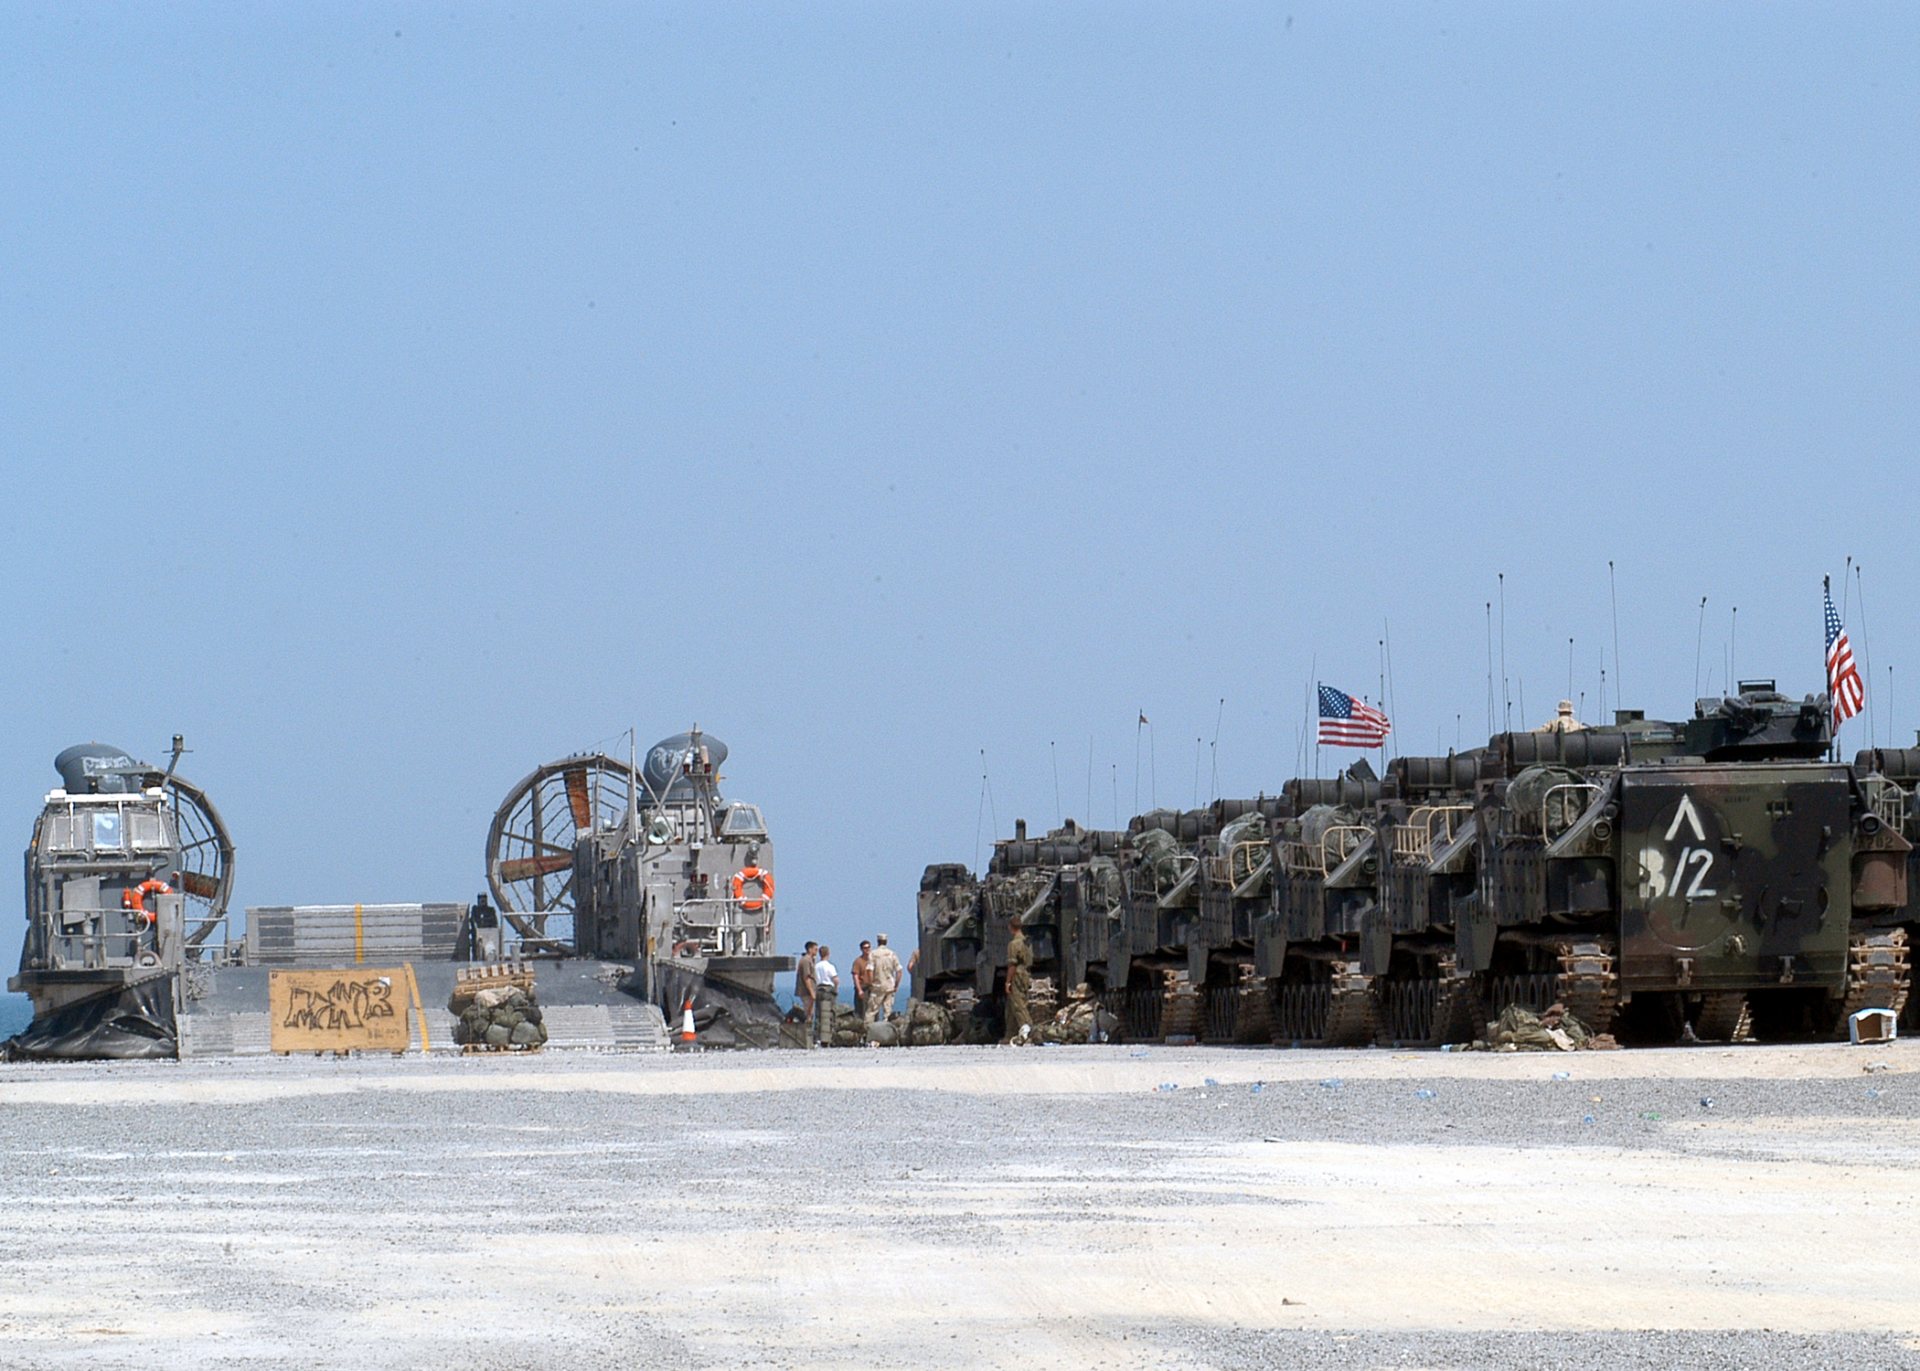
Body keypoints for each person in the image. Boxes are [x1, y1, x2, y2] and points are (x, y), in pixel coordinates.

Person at [1003, 919, 1033, 1044]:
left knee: (1019, 1005)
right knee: (1011, 1007)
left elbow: (1012, 965)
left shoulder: (1014, 944)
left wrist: (1008, 982)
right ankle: (1009, 1034)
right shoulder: (1027, 942)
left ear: (1011, 927)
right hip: (1026, 973)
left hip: (1017, 974)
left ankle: (1029, 1032)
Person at [866, 933, 903, 1023]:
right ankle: (886, 1033)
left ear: (878, 941)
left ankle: (867, 1032)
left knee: (871, 1011)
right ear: (886, 941)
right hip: (890, 985)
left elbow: (869, 970)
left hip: (878, 985)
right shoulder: (892, 954)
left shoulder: (873, 954)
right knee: (887, 1012)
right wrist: (896, 985)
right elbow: (899, 971)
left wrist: (871, 983)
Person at [812, 945, 839, 1045]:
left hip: (818, 989)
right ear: (828, 953)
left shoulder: (816, 966)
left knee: (819, 1013)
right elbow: (836, 980)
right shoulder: (830, 966)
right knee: (829, 1013)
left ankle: (817, 1036)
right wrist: (835, 990)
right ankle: (828, 1036)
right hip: (828, 990)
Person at [793, 941, 819, 1038]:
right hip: (806, 992)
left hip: (809, 991)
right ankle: (806, 1036)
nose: (817, 951)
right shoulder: (806, 961)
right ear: (810, 949)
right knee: (808, 1013)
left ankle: (809, 1036)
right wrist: (812, 992)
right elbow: (806, 977)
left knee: (810, 1013)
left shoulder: (810, 960)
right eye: (815, 949)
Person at [851, 941, 873, 1021]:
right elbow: (855, 976)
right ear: (861, 949)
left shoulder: (873, 960)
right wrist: (859, 990)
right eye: (865, 948)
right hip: (863, 989)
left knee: (873, 1011)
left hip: (872, 989)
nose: (867, 949)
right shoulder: (858, 961)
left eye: (868, 947)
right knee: (862, 1012)